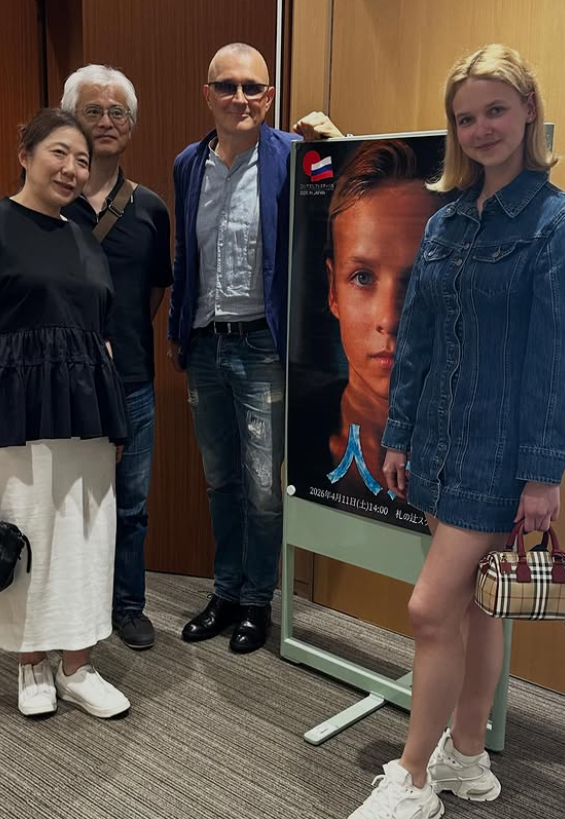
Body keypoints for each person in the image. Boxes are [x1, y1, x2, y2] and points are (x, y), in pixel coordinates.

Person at [348, 43, 565, 819]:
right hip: (437, 446)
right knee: (475, 607)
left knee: (428, 609)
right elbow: (417, 339)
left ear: (528, 110)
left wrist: (543, 473)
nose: (480, 129)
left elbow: (553, 357)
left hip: (500, 455)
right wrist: (399, 435)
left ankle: (411, 778)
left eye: (494, 110)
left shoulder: (552, 222)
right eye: (465, 118)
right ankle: (466, 757)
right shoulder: (444, 221)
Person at [168, 42, 341, 653]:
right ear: (207, 94)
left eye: (252, 87)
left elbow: (343, 204)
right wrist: (178, 332)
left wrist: (336, 145)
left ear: (269, 96)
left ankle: (255, 601)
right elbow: (186, 255)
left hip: (263, 347)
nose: (239, 98)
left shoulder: (293, 155)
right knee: (221, 481)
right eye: (227, 86)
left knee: (265, 487)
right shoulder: (188, 164)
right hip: (205, 347)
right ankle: (224, 591)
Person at [0, 108, 131, 718]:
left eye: (82, 160)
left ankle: (78, 664)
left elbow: (100, 332)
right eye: (59, 153)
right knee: (27, 531)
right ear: (25, 155)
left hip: (87, 409)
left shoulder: (85, 238)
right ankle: (30, 663)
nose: (72, 169)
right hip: (15, 407)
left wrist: (114, 418)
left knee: (86, 535)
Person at [61, 65, 173, 651]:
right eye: (93, 111)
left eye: (117, 113)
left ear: (130, 125)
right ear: (69, 120)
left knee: (130, 505)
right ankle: (67, 611)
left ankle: (127, 606)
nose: (106, 122)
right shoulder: (45, 203)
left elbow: (153, 294)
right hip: (60, 384)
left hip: (131, 380)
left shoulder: (150, 208)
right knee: (66, 506)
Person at [288, 139, 445, 521]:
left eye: (416, 279)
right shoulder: (297, 431)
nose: (389, 318)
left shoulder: (469, 448)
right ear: (332, 290)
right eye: (362, 277)